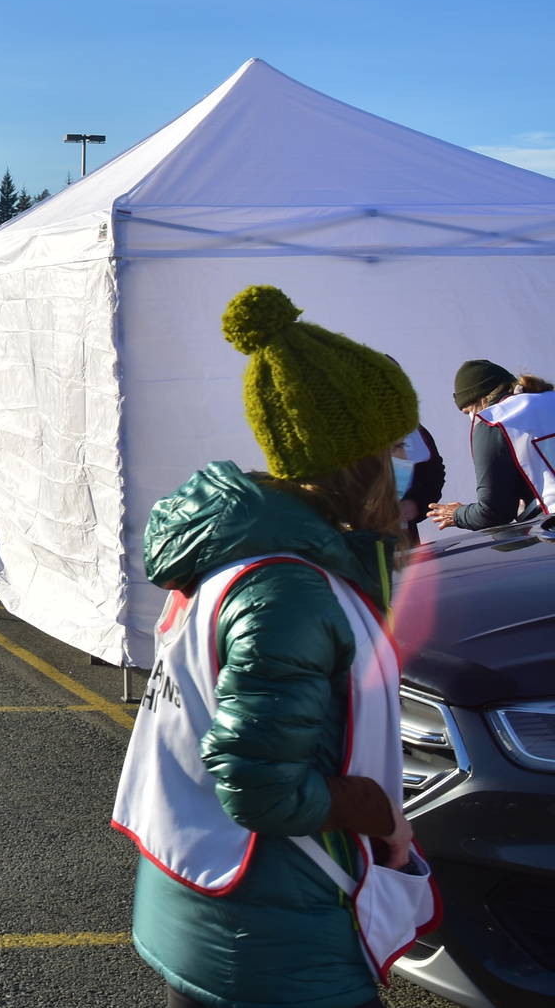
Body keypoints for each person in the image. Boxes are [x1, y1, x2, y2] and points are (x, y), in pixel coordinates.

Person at [114, 285, 433, 1008]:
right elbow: (260, 783)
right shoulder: (289, 589)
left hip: (238, 915)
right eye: (395, 444)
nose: (406, 459)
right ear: (361, 462)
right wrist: (378, 812)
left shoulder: (270, 557)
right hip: (266, 936)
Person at [428, 360, 555, 532]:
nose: (471, 418)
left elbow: (495, 511)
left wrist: (457, 514)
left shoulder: (492, 420)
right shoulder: (549, 398)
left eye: (467, 412)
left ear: (479, 400)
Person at [393, 426, 445, 547]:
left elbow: (433, 471)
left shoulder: (405, 423)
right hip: (349, 539)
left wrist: (415, 502)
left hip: (402, 537)